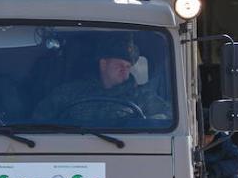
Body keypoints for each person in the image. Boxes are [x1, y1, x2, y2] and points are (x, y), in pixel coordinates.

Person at [32, 37, 170, 122]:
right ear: (103, 64)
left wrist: (145, 123)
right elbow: (39, 120)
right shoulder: (70, 93)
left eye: (128, 66)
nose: (125, 70)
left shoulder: (142, 97)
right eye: (119, 65)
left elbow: (167, 117)